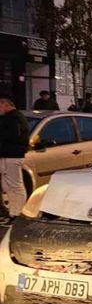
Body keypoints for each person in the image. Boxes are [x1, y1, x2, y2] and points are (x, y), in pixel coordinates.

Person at [0, 96, 30, 225]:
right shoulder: (15, 117)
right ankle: (13, 213)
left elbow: (13, 135)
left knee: (15, 186)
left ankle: (17, 214)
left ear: (6, 105)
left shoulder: (13, 119)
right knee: (9, 186)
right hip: (9, 155)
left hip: (11, 156)